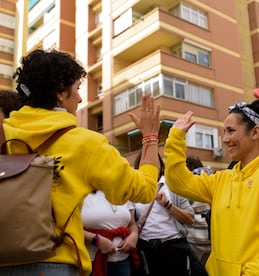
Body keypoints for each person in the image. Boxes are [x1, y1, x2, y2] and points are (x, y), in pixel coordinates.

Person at [0, 49, 160, 276]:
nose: (80, 98)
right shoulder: (85, 143)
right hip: (55, 261)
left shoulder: (2, 134)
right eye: (76, 88)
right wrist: (151, 138)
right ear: (59, 93)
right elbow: (144, 190)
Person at [164, 99, 259, 275]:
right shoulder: (223, 179)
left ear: (255, 132)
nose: (225, 139)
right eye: (224, 132)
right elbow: (178, 182)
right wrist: (175, 138)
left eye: (231, 131)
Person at [134, 153, 207, 276]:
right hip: (145, 250)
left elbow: (190, 218)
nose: (150, 166)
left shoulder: (172, 186)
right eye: (146, 162)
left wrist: (168, 205)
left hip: (172, 246)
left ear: (161, 165)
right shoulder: (134, 189)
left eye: (153, 161)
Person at [81, 191, 140, 276]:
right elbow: (70, 227)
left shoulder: (123, 191)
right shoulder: (81, 191)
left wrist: (134, 235)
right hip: (90, 261)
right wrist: (95, 239)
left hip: (123, 261)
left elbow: (132, 224)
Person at [185, 156, 212, 265]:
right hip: (211, 236)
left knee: (196, 269)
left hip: (195, 237)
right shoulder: (209, 178)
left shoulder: (191, 183)